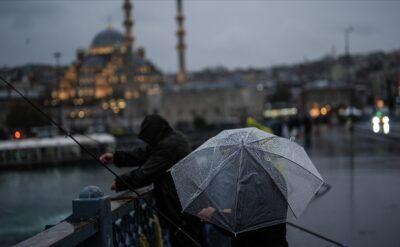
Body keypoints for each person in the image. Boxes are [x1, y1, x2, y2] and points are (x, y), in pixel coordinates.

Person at [100, 114, 203, 247]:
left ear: (154, 133)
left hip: (181, 212)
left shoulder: (169, 145)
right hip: (187, 206)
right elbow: (144, 154)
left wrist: (119, 182)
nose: (147, 142)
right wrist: (116, 158)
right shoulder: (172, 138)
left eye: (148, 138)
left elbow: (147, 173)